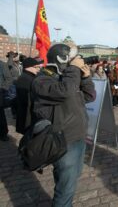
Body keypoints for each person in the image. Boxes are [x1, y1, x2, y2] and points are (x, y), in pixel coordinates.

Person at [31, 44, 96, 206]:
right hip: (63, 139)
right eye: (71, 59)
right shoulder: (42, 80)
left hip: (79, 136)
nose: (75, 62)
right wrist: (74, 69)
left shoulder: (68, 79)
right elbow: (65, 92)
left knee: (71, 178)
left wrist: (86, 77)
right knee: (65, 188)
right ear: (62, 59)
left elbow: (89, 96)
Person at [15, 57, 43, 134]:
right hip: (27, 115)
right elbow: (26, 100)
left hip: (29, 114)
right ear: (28, 67)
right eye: (36, 67)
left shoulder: (30, 77)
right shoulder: (25, 79)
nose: (38, 69)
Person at [0, 59, 13, 141]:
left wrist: (2, 89)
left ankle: (3, 133)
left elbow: (9, 79)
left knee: (0, 115)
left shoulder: (2, 64)